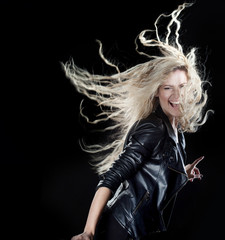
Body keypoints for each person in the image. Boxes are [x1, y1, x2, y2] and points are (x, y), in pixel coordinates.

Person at [62, 3, 212, 240]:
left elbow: (155, 175)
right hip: (122, 227)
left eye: (182, 87)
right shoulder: (153, 128)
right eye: (167, 88)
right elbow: (111, 178)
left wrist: (183, 172)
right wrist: (88, 232)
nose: (176, 96)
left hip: (139, 230)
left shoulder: (176, 133)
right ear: (157, 92)